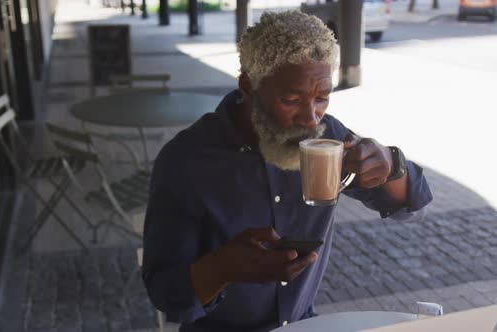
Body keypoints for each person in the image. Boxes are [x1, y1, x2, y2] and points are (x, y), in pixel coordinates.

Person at [142, 10, 432, 332]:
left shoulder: (327, 138)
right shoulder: (187, 161)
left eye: (322, 98)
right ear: (248, 86)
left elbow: (411, 207)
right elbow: (167, 294)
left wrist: (391, 164)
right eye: (291, 99)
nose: (311, 117)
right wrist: (222, 269)